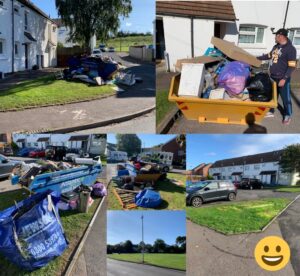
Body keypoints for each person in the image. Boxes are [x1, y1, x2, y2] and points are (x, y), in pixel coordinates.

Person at [257, 28, 297, 125]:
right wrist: (256, 58)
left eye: (276, 36)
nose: (275, 37)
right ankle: (271, 111)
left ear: (281, 36)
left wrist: (284, 78)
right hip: (273, 76)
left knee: (285, 98)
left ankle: (288, 114)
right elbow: (269, 55)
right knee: (273, 95)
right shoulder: (276, 46)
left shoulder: (290, 49)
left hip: (283, 78)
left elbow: (292, 66)